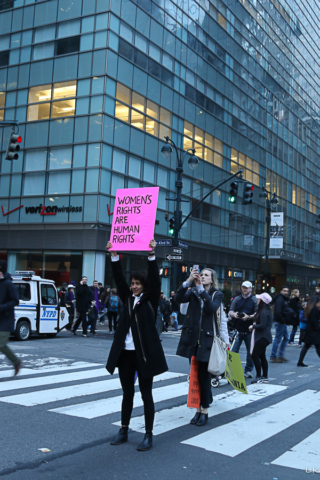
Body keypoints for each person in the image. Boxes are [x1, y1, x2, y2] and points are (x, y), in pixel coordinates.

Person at [106, 239, 168, 452]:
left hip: (144, 355)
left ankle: (148, 434)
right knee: (127, 393)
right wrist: (114, 255)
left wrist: (151, 255)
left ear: (144, 286)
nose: (133, 286)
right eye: (132, 283)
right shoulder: (127, 298)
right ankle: (123, 430)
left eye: (137, 283)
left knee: (146, 394)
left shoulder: (150, 300)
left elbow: (155, 279)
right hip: (126, 355)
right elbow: (117, 278)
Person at [175, 267, 223, 426]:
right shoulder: (193, 291)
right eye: (201, 274)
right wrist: (188, 281)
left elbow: (211, 308)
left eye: (206, 275)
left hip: (207, 341)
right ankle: (197, 409)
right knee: (194, 376)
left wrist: (201, 289)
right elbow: (178, 299)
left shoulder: (217, 294)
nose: (202, 277)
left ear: (212, 279)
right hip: (193, 340)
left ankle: (205, 411)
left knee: (203, 376)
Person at [229, 281, 258, 378]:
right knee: (233, 351)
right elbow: (230, 311)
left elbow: (257, 314)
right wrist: (235, 315)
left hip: (249, 329)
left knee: (251, 351)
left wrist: (248, 317)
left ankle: (248, 370)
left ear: (251, 289)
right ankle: (232, 370)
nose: (244, 289)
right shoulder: (237, 299)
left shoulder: (254, 300)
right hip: (238, 328)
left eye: (246, 288)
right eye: (243, 287)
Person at [0, 261, 21, 376]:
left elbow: (15, 301)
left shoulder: (8, 284)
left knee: (1, 345)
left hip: (5, 320)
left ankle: (16, 362)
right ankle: (16, 362)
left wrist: (1, 307)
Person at [249, 293, 273, 384]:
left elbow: (262, 325)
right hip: (265, 337)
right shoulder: (266, 310)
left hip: (262, 336)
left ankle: (259, 376)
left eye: (259, 299)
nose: (257, 300)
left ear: (262, 301)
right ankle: (264, 376)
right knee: (262, 356)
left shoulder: (263, 312)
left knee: (255, 356)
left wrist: (253, 326)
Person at [270, 286, 291, 363]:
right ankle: (273, 356)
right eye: (284, 291)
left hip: (282, 321)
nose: (286, 292)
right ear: (281, 291)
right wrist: (283, 320)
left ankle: (280, 355)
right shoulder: (280, 299)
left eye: (287, 291)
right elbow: (278, 312)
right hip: (280, 322)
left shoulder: (283, 299)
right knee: (278, 339)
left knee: (286, 338)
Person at [297, 296, 320, 367]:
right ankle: (300, 362)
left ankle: (300, 362)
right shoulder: (314, 310)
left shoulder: (310, 309)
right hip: (314, 331)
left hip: (310, 330)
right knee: (318, 346)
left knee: (306, 346)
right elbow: (314, 321)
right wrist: (318, 326)